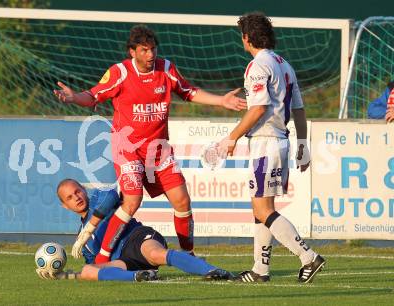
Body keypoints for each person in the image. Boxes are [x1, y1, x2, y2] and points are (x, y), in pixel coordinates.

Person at [53, 24, 246, 263]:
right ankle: (102, 259)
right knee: (132, 201)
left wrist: (221, 101)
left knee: (182, 201)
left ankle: (189, 255)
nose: (151, 55)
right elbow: (93, 96)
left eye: (153, 49)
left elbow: (188, 91)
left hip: (158, 150)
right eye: (144, 50)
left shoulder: (166, 69)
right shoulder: (119, 72)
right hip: (128, 149)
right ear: (132, 52)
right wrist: (74, 98)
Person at [218, 12, 325, 283]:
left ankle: (308, 257)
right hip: (281, 141)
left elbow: (259, 108)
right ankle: (260, 269)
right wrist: (303, 145)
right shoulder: (284, 64)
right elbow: (299, 110)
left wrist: (232, 137)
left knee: (263, 209)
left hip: (266, 143)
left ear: (246, 37)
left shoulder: (258, 65)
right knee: (262, 208)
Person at [36, 178, 234, 282]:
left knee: (156, 253)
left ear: (83, 189)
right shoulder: (83, 242)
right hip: (124, 261)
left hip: (137, 238)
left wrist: (91, 226)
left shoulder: (98, 197)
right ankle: (140, 276)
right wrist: (64, 274)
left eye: (77, 191)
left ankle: (211, 270)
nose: (77, 197)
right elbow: (96, 264)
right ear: (64, 205)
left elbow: (113, 197)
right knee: (88, 270)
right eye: (69, 197)